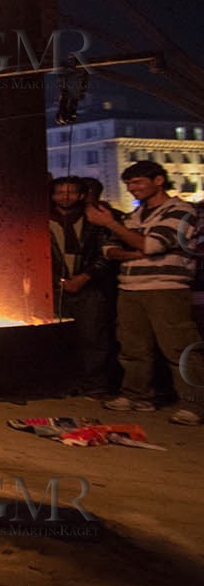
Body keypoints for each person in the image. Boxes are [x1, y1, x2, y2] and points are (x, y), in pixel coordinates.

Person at [86, 161, 202, 425]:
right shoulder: (134, 217)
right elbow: (108, 250)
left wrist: (113, 226)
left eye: (137, 182)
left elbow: (151, 244)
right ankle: (137, 395)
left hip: (166, 289)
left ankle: (194, 404)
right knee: (132, 347)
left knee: (178, 347)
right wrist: (134, 247)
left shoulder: (180, 211)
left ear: (159, 180)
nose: (131, 189)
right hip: (130, 288)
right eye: (128, 184)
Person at [48, 176, 119, 397]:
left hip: (90, 287)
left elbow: (105, 254)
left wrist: (85, 277)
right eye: (60, 192)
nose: (65, 197)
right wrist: (58, 281)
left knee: (93, 337)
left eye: (70, 192)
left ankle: (95, 383)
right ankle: (66, 382)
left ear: (81, 195)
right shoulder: (43, 220)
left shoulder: (94, 221)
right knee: (60, 339)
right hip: (55, 289)